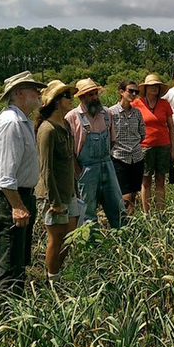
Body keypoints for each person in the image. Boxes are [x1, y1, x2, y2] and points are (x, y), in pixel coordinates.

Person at [0, 70, 46, 318]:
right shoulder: (11, 123)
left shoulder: (21, 121)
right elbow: (5, 175)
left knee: (17, 266)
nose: (39, 93)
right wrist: (17, 206)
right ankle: (3, 328)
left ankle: (14, 321)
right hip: (8, 201)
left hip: (17, 198)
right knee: (9, 269)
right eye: (34, 89)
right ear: (19, 93)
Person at [35, 80, 82, 279]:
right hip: (53, 196)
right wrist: (54, 201)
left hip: (68, 192)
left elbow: (69, 161)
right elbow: (46, 169)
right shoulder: (47, 130)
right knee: (56, 239)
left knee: (69, 237)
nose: (71, 99)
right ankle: (52, 279)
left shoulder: (66, 125)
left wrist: (75, 190)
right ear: (56, 101)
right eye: (67, 96)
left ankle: (58, 273)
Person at [65, 78, 126, 228]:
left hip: (107, 165)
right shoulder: (72, 117)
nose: (95, 97)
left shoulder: (106, 113)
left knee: (117, 206)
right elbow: (69, 151)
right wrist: (78, 172)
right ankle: (91, 240)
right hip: (86, 170)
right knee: (88, 211)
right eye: (90, 95)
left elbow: (112, 141)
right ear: (81, 97)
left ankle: (123, 237)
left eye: (95, 94)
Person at [132, 75, 174, 212]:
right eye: (151, 86)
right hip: (144, 147)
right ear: (145, 88)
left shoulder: (164, 104)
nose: (154, 88)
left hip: (163, 146)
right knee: (145, 180)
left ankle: (161, 211)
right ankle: (147, 214)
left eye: (156, 86)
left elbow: (171, 127)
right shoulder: (137, 103)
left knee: (160, 179)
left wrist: (173, 148)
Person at [108, 80, 146, 216]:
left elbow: (142, 134)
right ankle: (121, 221)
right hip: (119, 158)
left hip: (136, 157)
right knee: (125, 196)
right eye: (130, 91)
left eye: (136, 92)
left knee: (133, 194)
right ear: (121, 92)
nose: (134, 94)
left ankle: (131, 222)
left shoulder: (137, 113)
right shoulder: (111, 112)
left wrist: (133, 145)